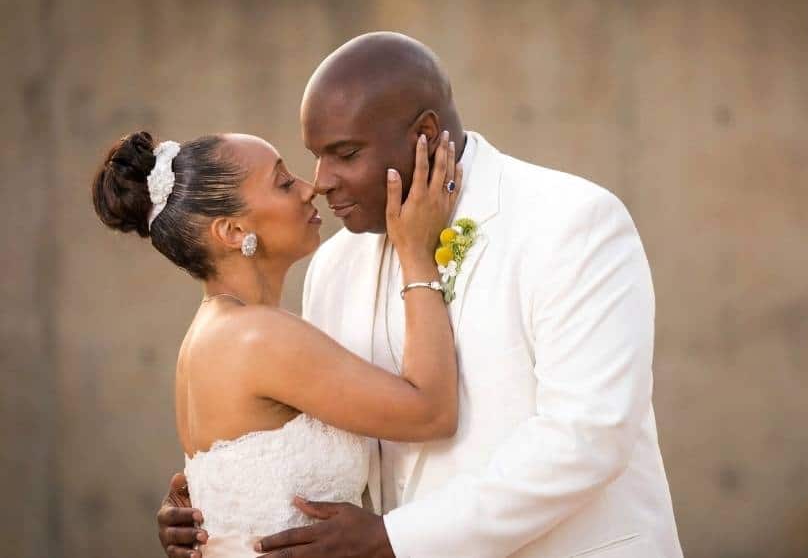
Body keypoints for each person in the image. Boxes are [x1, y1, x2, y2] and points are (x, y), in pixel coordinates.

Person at [159, 32, 684, 558]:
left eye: (345, 154)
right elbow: (333, 443)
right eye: (315, 157)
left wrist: (396, 539)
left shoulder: (572, 222)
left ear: (425, 133)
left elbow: (589, 437)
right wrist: (215, 508)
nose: (321, 182)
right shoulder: (333, 266)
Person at [93, 128, 463, 558]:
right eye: (284, 182)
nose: (312, 189)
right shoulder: (256, 337)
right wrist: (416, 254)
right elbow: (431, 412)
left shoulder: (212, 332)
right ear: (232, 231)